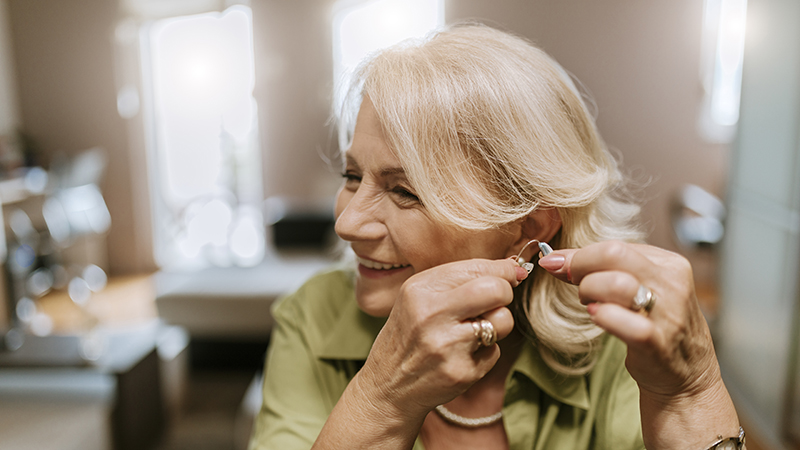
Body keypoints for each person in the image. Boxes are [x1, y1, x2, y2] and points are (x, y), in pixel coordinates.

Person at [249, 24, 744, 450]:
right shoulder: (312, 318)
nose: (347, 223)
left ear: (528, 229)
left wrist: (692, 394)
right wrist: (382, 395)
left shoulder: (619, 346)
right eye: (352, 176)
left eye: (404, 191)